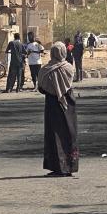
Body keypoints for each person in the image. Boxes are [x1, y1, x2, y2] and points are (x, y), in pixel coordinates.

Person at [39, 42, 79, 177]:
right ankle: (69, 166)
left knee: (54, 134)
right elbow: (69, 82)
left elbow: (41, 88)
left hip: (52, 104)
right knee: (69, 132)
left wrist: (53, 89)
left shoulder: (45, 70)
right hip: (69, 103)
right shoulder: (69, 68)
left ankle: (57, 167)